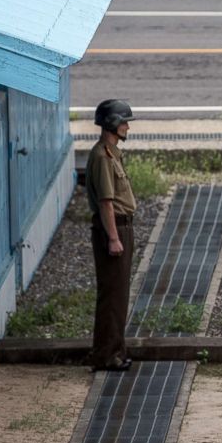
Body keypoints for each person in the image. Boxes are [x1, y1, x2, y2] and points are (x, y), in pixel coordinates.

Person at [86, 99, 137, 371]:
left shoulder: (111, 153)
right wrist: (115, 238)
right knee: (112, 296)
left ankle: (115, 350)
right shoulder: (103, 157)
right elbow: (106, 202)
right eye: (124, 122)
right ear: (112, 125)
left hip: (120, 225)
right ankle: (107, 354)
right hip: (113, 227)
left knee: (118, 294)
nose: (127, 127)